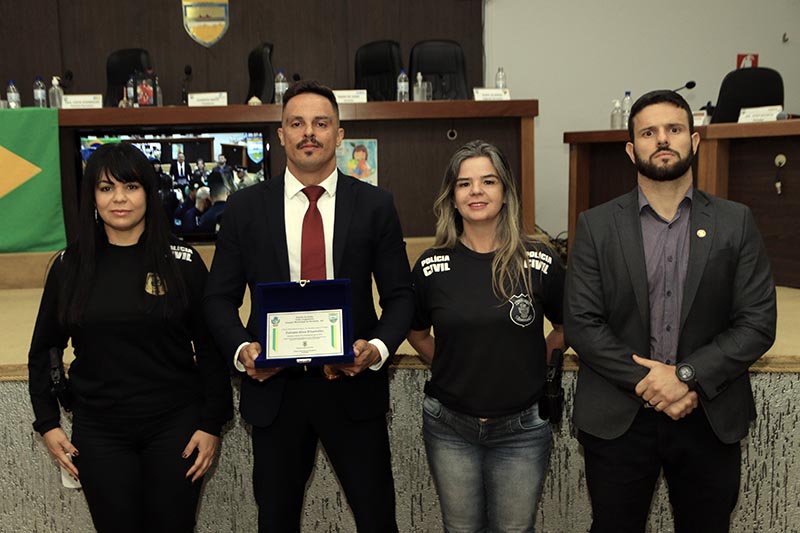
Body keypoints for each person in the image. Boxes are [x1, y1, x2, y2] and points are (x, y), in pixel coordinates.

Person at [204, 80, 414, 532]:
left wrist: (376, 349)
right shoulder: (244, 208)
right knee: (275, 520)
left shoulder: (376, 205)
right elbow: (218, 298)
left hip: (352, 385)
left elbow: (401, 296)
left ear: (340, 135)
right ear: (281, 135)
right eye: (297, 124)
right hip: (275, 390)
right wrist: (242, 351)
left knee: (378, 519)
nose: (309, 133)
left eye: (321, 123)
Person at [564, 90, 776, 533]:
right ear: (631, 150)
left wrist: (685, 376)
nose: (662, 140)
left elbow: (757, 322)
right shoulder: (595, 225)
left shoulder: (736, 222)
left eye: (674, 129)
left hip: (707, 413)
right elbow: (582, 324)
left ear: (694, 141)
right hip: (618, 418)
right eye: (648, 133)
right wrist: (652, 383)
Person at [28, 143, 233, 533]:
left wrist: (211, 424)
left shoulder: (183, 261)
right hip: (99, 430)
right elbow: (44, 348)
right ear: (92, 197)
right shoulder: (69, 267)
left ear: (149, 194)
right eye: (106, 188)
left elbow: (211, 348)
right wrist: (48, 423)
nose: (119, 198)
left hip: (175, 426)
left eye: (131, 187)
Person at [407, 140, 565, 533]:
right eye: (464, 184)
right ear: (452, 198)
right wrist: (450, 363)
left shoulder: (540, 261)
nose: (476, 191)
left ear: (506, 192)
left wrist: (540, 365)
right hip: (449, 428)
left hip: (523, 429)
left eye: (488, 181)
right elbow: (417, 332)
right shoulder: (430, 265)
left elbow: (566, 327)